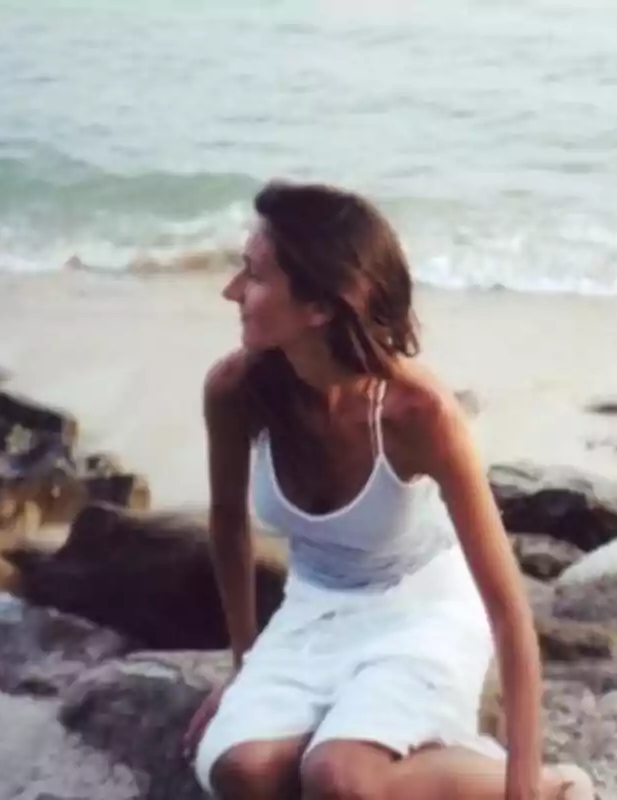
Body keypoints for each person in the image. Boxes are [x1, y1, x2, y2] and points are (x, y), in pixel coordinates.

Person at [182, 179, 594, 800]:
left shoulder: (417, 411)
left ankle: (558, 787)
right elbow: (227, 525)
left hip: (420, 610)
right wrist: (243, 666)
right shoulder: (237, 389)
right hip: (313, 610)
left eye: (255, 276)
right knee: (245, 772)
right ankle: (359, 734)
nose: (232, 291)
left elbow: (510, 612)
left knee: (339, 778)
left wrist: (520, 791)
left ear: (320, 305)